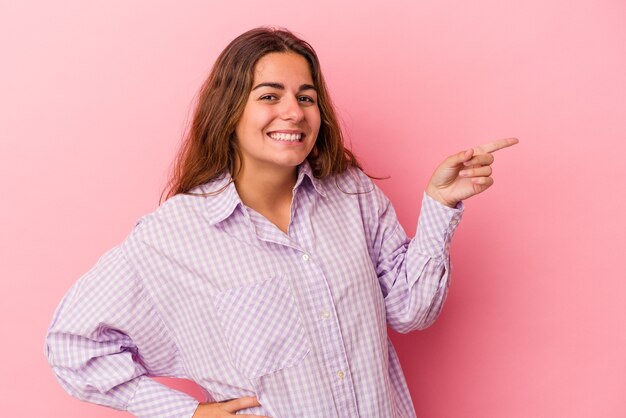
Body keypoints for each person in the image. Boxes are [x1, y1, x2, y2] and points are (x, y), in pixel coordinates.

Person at [44, 27, 518, 418]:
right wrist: (184, 413)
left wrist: (439, 206)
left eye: (306, 97)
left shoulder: (350, 194)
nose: (293, 112)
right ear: (229, 111)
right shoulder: (173, 235)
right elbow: (73, 346)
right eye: (269, 95)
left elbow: (410, 312)